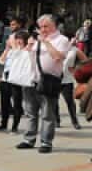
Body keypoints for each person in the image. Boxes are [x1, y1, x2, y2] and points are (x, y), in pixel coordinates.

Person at [17, 15, 70, 154]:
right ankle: (29, 139)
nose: (43, 29)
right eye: (41, 27)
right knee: (30, 112)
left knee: (47, 114)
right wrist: (28, 46)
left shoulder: (62, 40)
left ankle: (46, 142)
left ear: (54, 26)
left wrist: (46, 42)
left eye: (46, 26)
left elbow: (58, 57)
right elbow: (25, 58)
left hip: (48, 81)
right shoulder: (36, 39)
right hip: (30, 80)